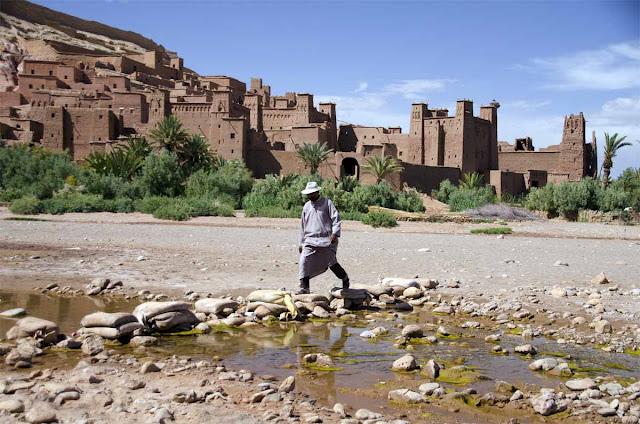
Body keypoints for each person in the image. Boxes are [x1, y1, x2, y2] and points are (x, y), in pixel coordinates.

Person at [297, 181, 350, 295]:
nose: (310, 196)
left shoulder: (327, 203)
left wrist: (335, 234)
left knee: (332, 263)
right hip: (310, 240)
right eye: (308, 194)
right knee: (303, 261)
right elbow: (303, 225)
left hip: (326, 240)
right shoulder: (306, 206)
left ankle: (345, 279)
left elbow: (336, 219)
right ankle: (305, 288)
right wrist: (301, 242)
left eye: (312, 193)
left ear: (317, 192)